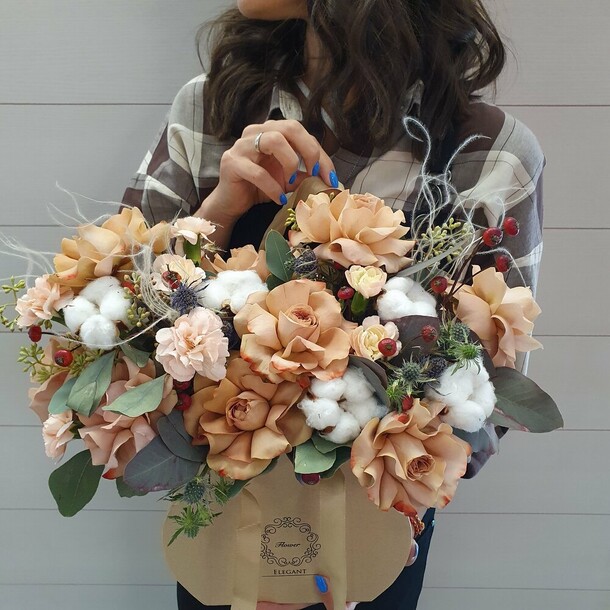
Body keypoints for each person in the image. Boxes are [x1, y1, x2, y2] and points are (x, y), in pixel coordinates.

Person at [122, 1, 545, 608]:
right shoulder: (212, 108)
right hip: (224, 516)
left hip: (373, 529)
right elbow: (115, 319)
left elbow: (492, 394)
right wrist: (221, 208)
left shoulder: (489, 152)